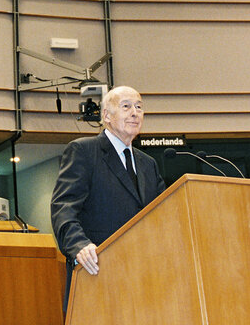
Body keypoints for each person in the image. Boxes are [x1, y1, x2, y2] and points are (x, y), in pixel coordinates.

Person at [50, 86, 165, 311]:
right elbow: (64, 207)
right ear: (106, 116)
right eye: (126, 106)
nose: (135, 112)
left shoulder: (148, 164)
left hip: (145, 279)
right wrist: (79, 245)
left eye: (139, 107)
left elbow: (164, 215)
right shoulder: (83, 151)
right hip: (98, 273)